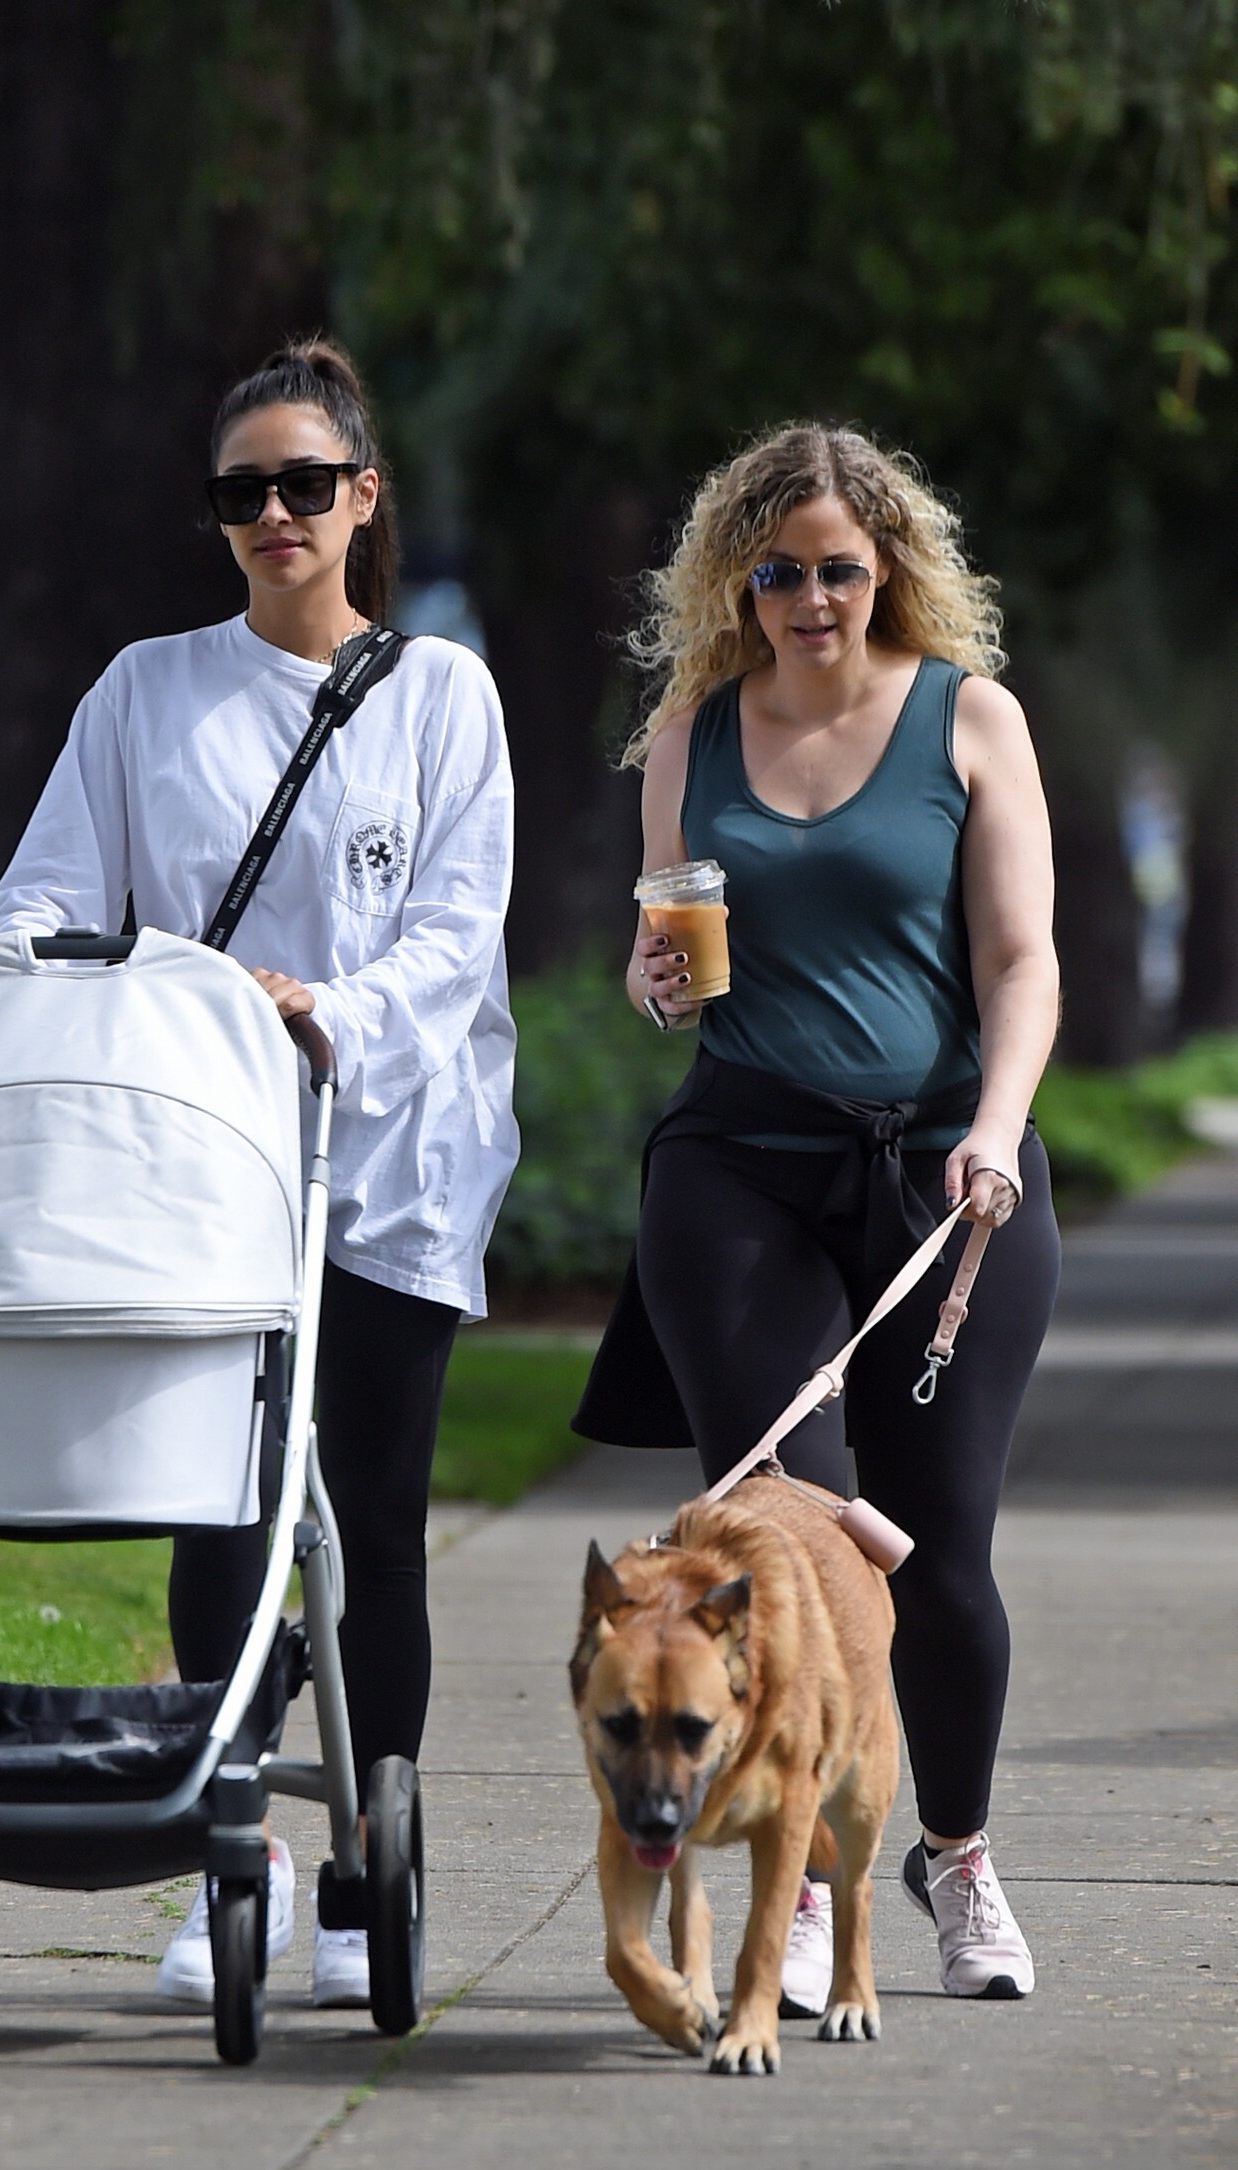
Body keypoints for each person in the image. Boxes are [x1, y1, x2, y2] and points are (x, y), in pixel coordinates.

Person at [0, 340, 518, 2008]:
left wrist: (329, 1015)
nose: (275, 515)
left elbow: (456, 935)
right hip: (200, 1164)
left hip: (390, 1161)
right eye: (243, 493)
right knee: (219, 1515)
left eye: (304, 484)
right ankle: (233, 1849)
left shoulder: (441, 695)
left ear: (364, 498)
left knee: (372, 1524)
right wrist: (86, 997)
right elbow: (43, 898)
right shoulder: (145, 693)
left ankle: (365, 1862)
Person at [575, 422, 1061, 2009]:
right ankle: (791, 1875)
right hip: (741, 1169)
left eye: (837, 571)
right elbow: (662, 944)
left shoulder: (968, 718)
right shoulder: (693, 731)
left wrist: (996, 1129)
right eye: (776, 573)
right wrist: (655, 980)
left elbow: (1022, 960)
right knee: (787, 1539)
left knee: (940, 1558)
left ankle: (958, 1857)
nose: (808, 601)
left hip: (946, 1176)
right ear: (739, 579)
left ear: (887, 569)